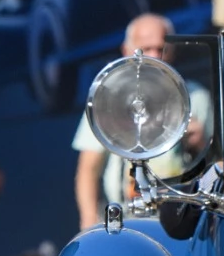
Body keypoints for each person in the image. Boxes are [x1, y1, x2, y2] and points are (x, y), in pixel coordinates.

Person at [73, 14, 212, 230]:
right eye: (145, 49)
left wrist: (200, 145)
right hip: (125, 221)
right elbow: (88, 169)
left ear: (173, 50)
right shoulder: (107, 98)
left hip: (178, 221)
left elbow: (213, 169)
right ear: (126, 51)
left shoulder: (195, 97)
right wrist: (89, 220)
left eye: (161, 48)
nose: (155, 56)